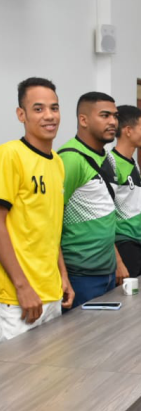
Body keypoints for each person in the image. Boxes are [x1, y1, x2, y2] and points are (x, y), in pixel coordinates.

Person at [0, 77, 74, 342]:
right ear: (22, 114)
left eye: (54, 108)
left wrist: (62, 276)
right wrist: (22, 287)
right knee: (17, 382)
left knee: (52, 378)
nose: (49, 116)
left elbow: (49, 227)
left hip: (51, 293)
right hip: (18, 299)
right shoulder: (9, 155)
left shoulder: (57, 163)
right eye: (39, 108)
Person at [58, 92, 121, 308]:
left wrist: (118, 263)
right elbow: (52, 221)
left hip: (107, 271)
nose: (113, 122)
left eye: (115, 115)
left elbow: (104, 213)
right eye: (105, 115)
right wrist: (63, 275)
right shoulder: (70, 159)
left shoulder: (109, 157)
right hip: (80, 275)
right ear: (83, 120)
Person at [111, 105, 141, 278]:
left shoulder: (133, 162)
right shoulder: (111, 163)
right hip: (122, 244)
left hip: (137, 245)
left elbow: (136, 207)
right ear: (128, 130)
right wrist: (118, 261)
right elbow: (106, 215)